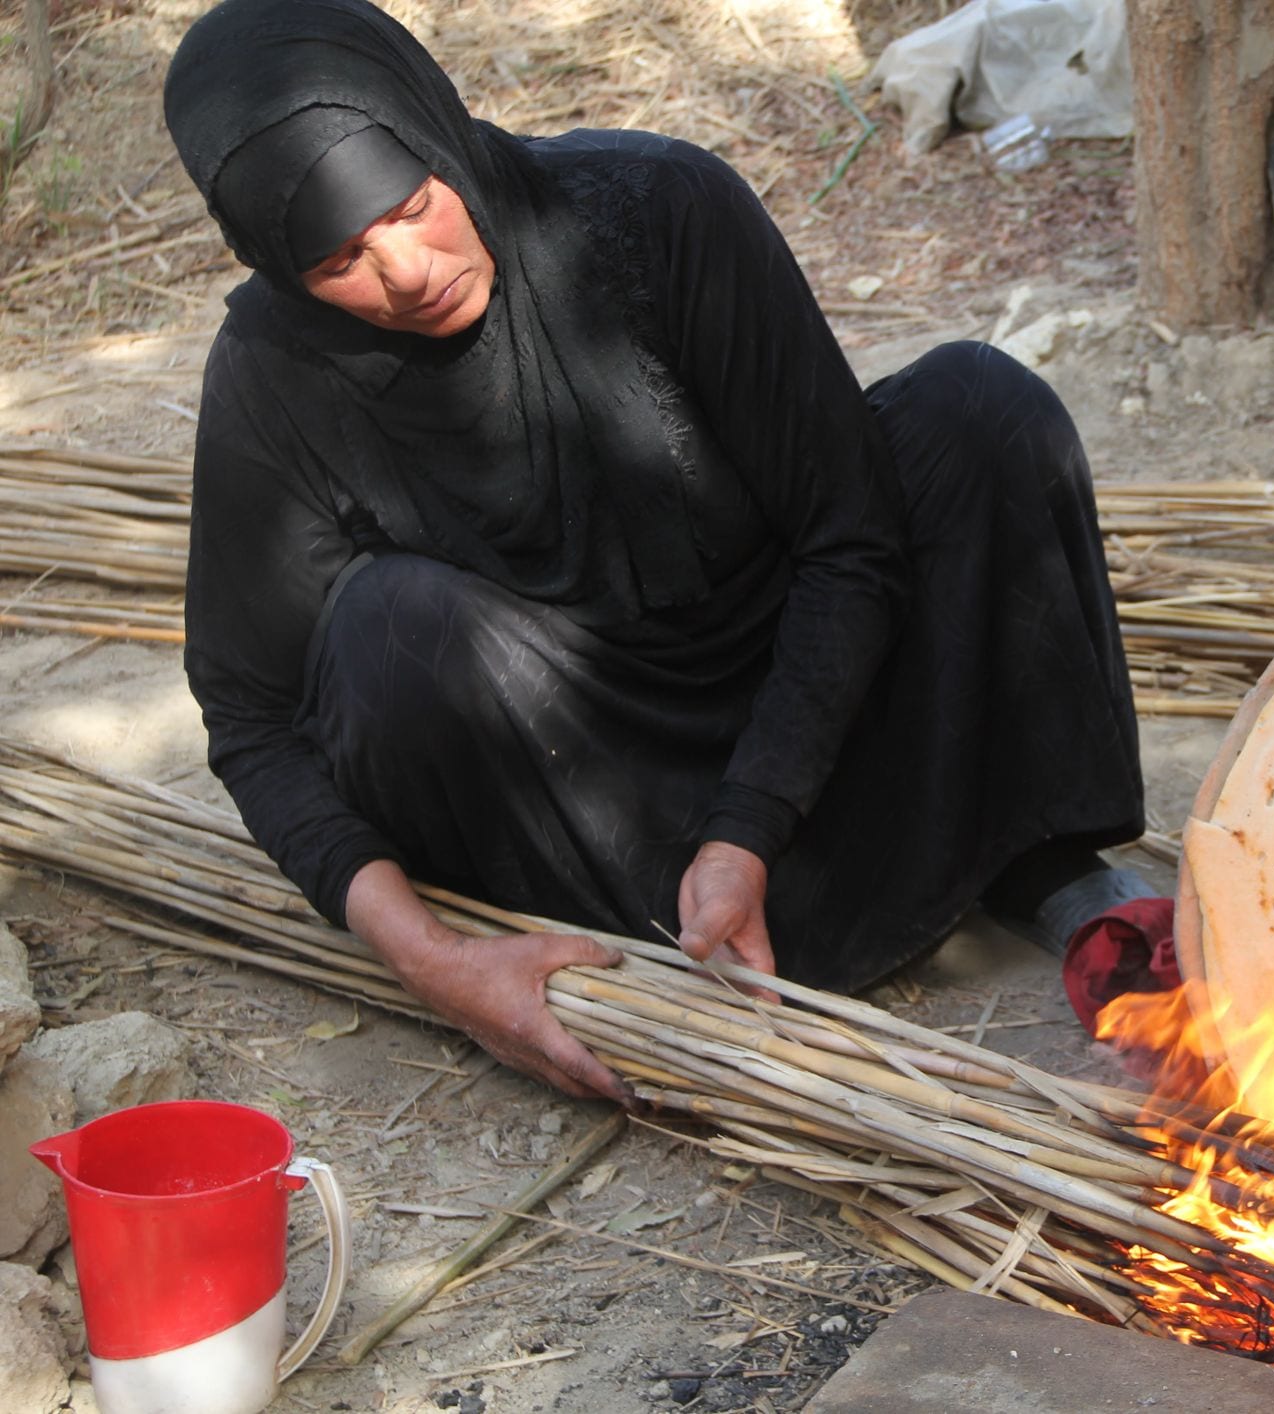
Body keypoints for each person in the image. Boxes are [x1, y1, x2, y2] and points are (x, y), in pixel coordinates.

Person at [162, 0, 1151, 1104]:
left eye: (411, 204)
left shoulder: (655, 211)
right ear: (278, 268)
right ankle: (631, 976)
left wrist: (751, 826)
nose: (404, 272)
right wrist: (439, 967)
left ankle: (1037, 855)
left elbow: (850, 536)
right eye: (340, 259)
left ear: (436, 129)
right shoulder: (270, 369)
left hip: (811, 683)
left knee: (982, 411)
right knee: (383, 631)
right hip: (588, 798)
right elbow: (251, 721)